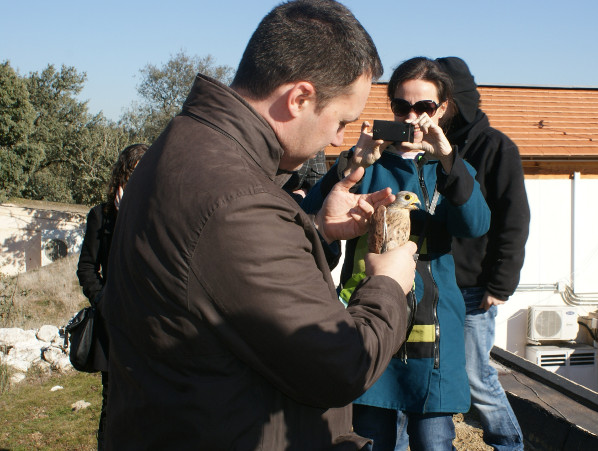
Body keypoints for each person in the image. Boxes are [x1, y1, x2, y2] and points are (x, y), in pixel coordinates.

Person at [101, 1, 418, 449]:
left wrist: (314, 228)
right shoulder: (238, 204)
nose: (338, 140)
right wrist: (387, 283)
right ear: (300, 98)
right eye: (341, 121)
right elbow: (338, 366)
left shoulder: (188, 144)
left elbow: (220, 280)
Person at [305, 57, 491, 450]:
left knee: (434, 441)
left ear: (441, 110)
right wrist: (353, 164)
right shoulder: (366, 163)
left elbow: (475, 225)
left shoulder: (453, 168)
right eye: (401, 106)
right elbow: (310, 220)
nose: (412, 116)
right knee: (372, 438)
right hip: (372, 317)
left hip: (433, 327)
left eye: (423, 107)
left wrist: (447, 160)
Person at [437, 56, 530, 450]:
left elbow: (515, 219)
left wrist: (501, 284)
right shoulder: (428, 145)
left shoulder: (496, 147)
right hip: (432, 283)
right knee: (428, 373)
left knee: (478, 377)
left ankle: (509, 444)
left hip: (476, 287)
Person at [75, 142, 148, 450]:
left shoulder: (154, 214)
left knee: (147, 408)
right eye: (132, 175)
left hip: (148, 328)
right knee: (112, 407)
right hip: (112, 328)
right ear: (122, 176)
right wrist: (104, 302)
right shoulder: (101, 217)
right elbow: (87, 268)